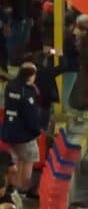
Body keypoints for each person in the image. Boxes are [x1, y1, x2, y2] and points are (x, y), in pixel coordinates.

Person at [1, 63, 41, 195]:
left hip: (9, 132)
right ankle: (22, 191)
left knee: (15, 162)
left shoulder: (10, 86)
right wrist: (36, 131)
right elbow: (30, 116)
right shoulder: (27, 92)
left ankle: (11, 191)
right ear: (30, 76)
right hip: (25, 136)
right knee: (27, 162)